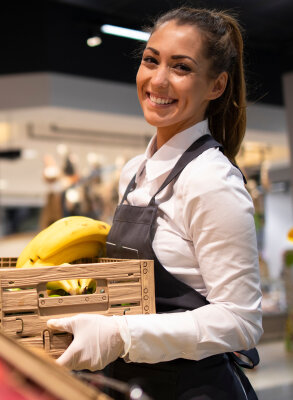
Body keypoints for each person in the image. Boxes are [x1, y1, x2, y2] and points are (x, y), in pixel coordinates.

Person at [47, 7, 263, 400]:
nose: (158, 80)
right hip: (131, 384)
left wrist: (120, 335)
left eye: (181, 67)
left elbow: (241, 321)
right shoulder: (133, 172)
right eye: (151, 60)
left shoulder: (210, 180)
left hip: (196, 390)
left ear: (216, 86)